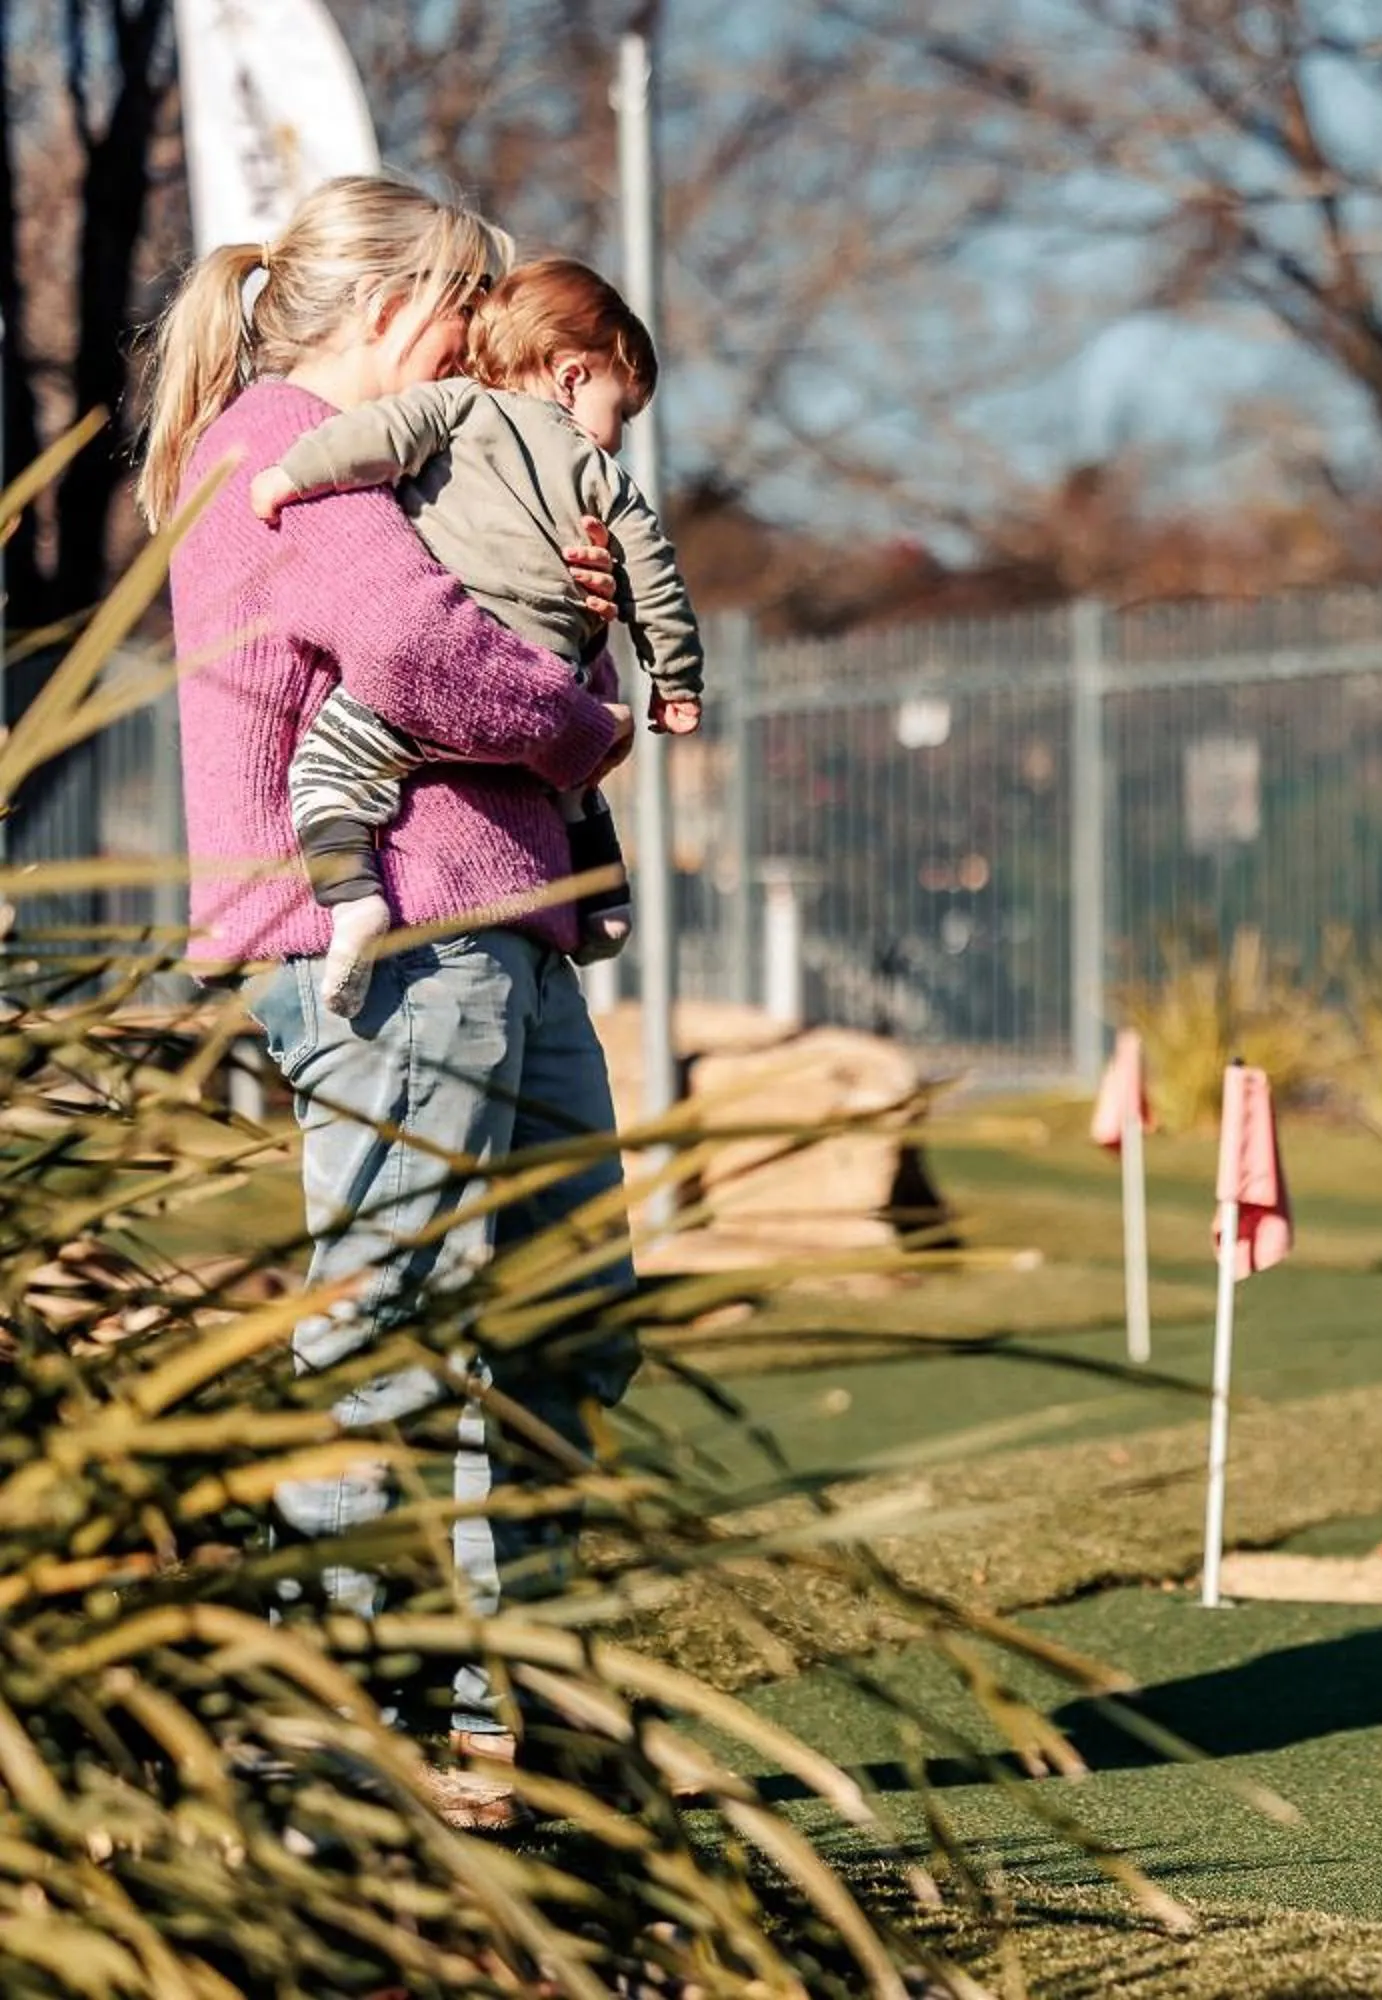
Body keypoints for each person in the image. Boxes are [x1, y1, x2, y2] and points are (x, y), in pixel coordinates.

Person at [139, 173, 641, 1830]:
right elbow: (418, 654)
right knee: (397, 1330)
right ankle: (338, 1725)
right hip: (400, 949)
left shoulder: (397, 469)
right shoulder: (276, 452)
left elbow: (472, 620)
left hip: (495, 933)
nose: (477, 344)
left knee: (556, 1319)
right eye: (463, 308)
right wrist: (585, 725)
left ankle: (504, 1713)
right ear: (393, 312)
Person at [250, 256, 705, 1017]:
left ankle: (354, 897)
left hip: (436, 697)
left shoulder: (455, 406)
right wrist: (678, 683)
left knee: (326, 775)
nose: (619, 438)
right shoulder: (605, 481)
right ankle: (605, 903)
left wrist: (289, 477)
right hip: (546, 685)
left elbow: (370, 440)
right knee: (576, 781)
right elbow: (657, 586)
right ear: (568, 376)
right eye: (620, 411)